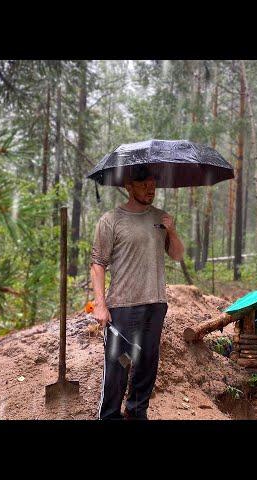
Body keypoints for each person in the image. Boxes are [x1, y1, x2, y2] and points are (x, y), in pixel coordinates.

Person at [90, 168, 185, 420]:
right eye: (143, 183)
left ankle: (136, 411)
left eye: (153, 183)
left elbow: (177, 255)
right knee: (120, 363)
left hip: (155, 304)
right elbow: (98, 264)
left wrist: (172, 230)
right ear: (129, 186)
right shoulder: (111, 220)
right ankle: (110, 415)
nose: (150, 188)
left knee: (147, 363)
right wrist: (100, 305)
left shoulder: (160, 218)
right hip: (123, 306)